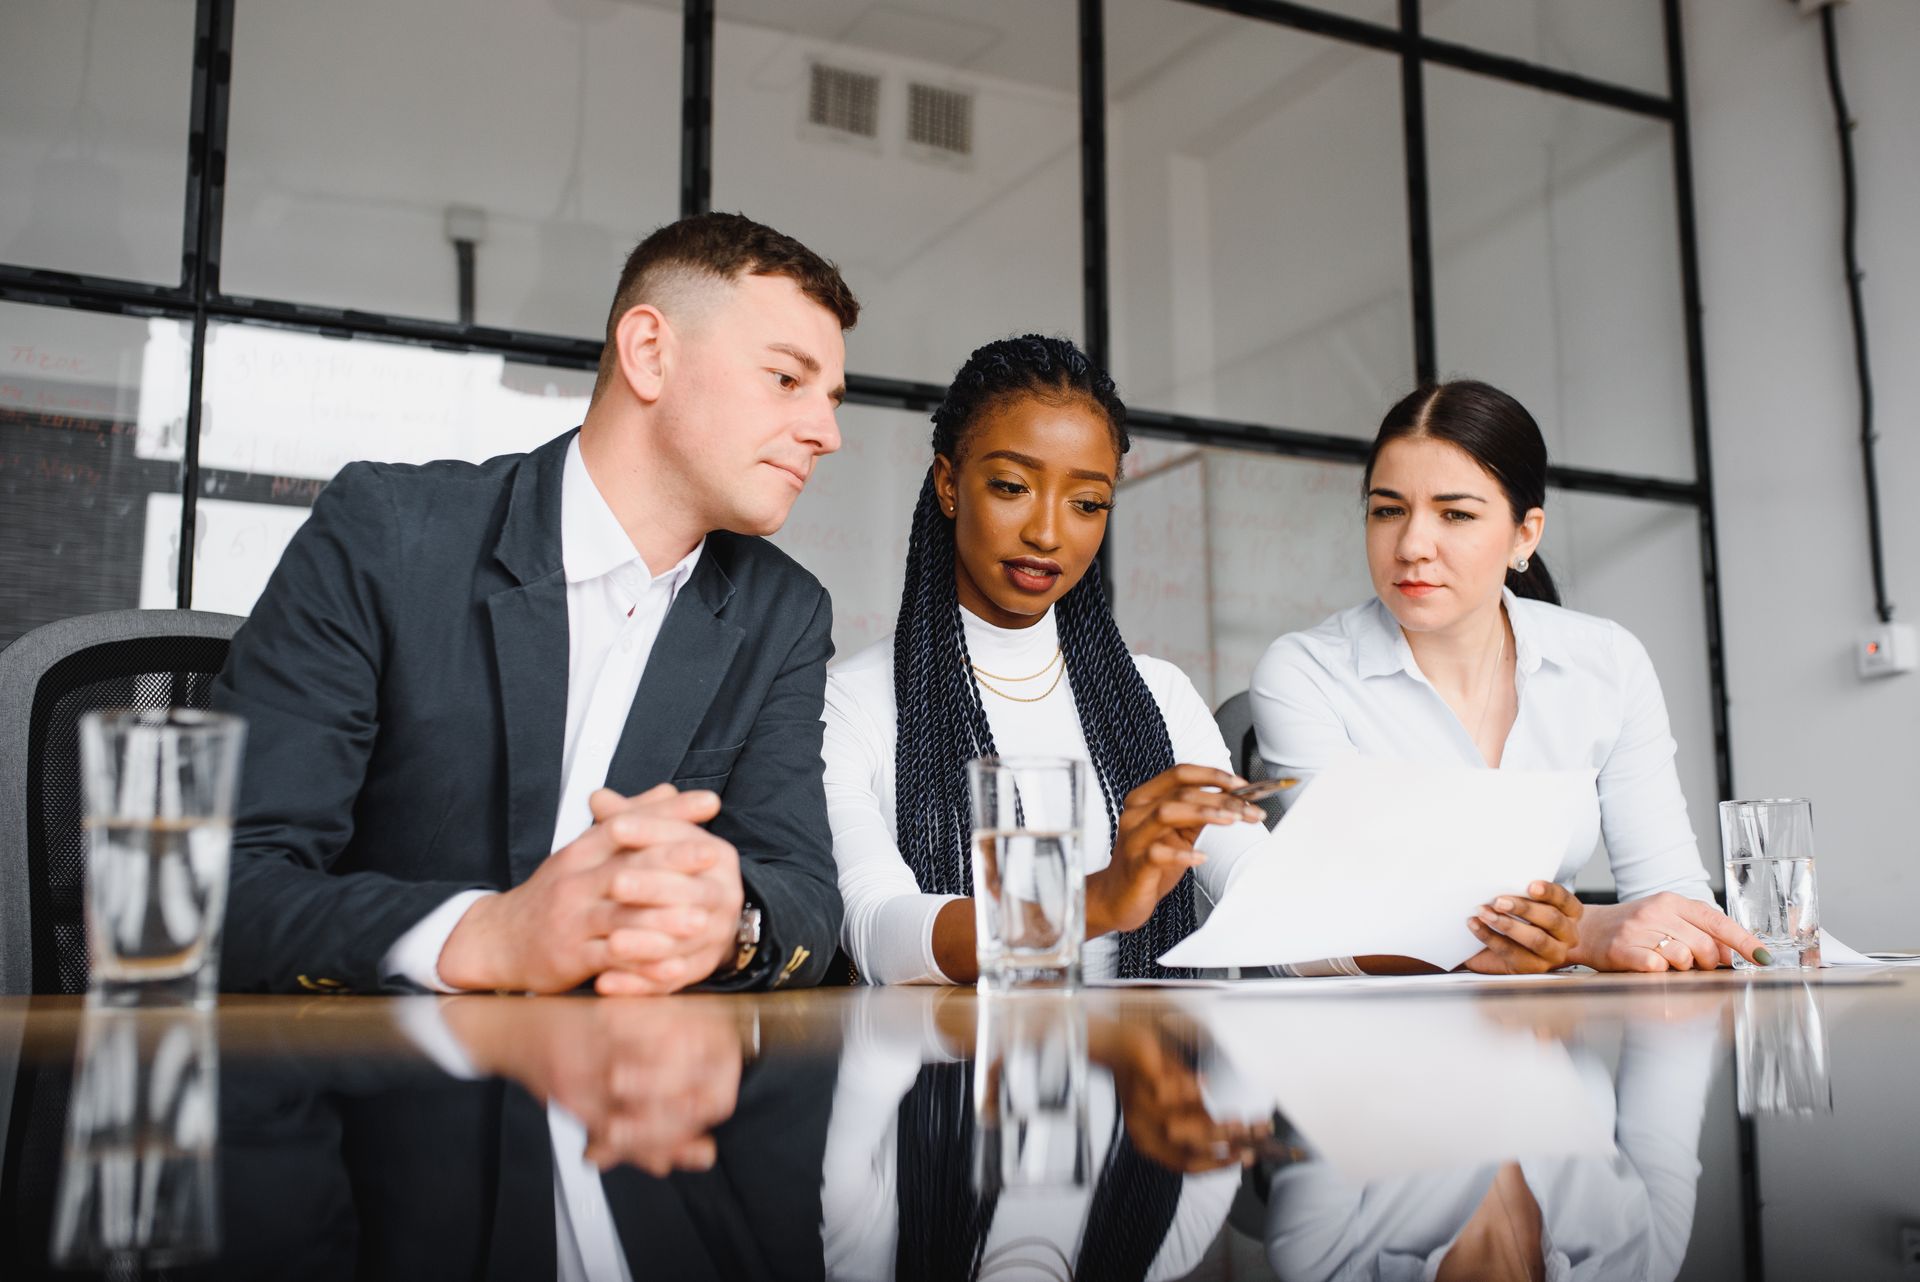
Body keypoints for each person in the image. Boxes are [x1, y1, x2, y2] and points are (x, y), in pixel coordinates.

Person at [212, 211, 859, 996]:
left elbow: (805, 900)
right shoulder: (388, 535)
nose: (825, 433)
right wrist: (486, 933)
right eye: (788, 380)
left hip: (631, 1086)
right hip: (368, 1081)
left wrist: (731, 922)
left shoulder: (783, 612)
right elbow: (224, 883)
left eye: (832, 398)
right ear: (650, 353)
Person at [1250, 380, 1767, 973]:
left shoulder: (1606, 662)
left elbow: (1668, 890)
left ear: (1525, 533)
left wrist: (1715, 945)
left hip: (1548, 1030)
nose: (1413, 545)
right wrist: (1577, 936)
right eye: (1388, 510)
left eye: (1456, 514)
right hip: (1374, 1040)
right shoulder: (1306, 672)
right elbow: (1344, 916)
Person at [822, 334, 1269, 985]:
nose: (1048, 533)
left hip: (1139, 1074)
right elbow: (878, 931)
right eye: (1011, 486)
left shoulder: (1158, 697)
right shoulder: (851, 702)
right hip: (950, 1076)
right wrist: (1099, 899)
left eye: (1087, 503)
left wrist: (1451, 948)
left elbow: (1270, 904)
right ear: (949, 484)